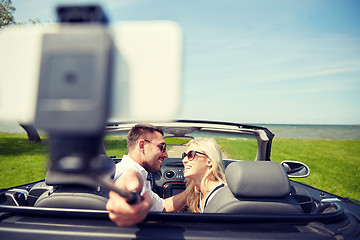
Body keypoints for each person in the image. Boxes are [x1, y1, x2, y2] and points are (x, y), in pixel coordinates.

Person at [106, 124, 186, 227]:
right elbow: (127, 183)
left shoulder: (140, 172)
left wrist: (191, 192)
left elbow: (163, 207)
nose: (166, 155)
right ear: (142, 146)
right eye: (162, 147)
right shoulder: (126, 172)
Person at [182, 138, 226, 213]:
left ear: (209, 161)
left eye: (191, 154)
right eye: (184, 155)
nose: (184, 160)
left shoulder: (220, 196)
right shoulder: (199, 194)